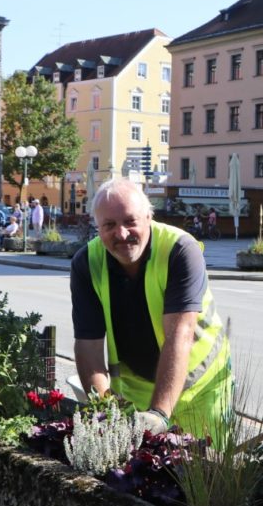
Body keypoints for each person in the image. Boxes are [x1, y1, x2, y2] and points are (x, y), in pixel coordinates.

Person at [70, 179, 232, 438]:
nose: (121, 234)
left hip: (202, 389)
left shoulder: (180, 249)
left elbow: (180, 334)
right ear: (97, 227)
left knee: (207, 472)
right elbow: (88, 344)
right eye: (109, 225)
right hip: (136, 390)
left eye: (130, 221)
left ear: (149, 217)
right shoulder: (86, 263)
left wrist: (159, 413)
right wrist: (103, 411)